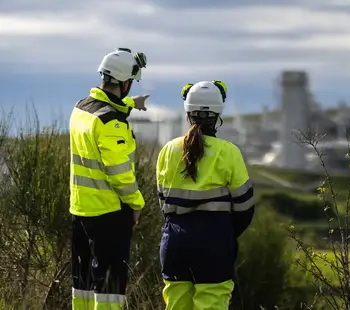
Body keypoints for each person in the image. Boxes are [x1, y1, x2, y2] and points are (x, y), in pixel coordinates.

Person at [157, 80, 255, 310]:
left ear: (187, 112)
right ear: (218, 113)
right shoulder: (229, 152)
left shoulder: (168, 150)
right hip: (215, 241)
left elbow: (162, 202)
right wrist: (225, 234)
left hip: (175, 242)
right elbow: (245, 207)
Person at [70, 48, 150, 310]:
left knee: (81, 285)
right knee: (110, 288)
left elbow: (106, 108)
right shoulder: (111, 122)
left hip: (80, 210)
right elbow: (120, 174)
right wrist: (137, 204)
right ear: (125, 83)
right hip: (108, 214)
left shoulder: (81, 109)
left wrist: (131, 103)